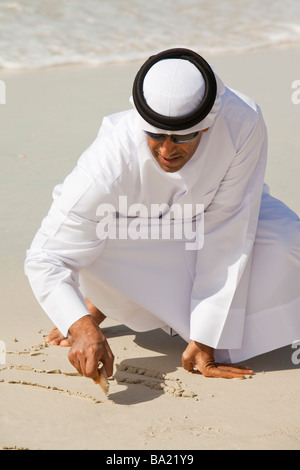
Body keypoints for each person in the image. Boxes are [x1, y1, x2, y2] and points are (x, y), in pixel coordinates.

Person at [25, 48, 300, 384]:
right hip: (129, 238)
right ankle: (100, 300)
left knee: (289, 239)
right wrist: (78, 325)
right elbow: (46, 256)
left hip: (214, 215)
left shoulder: (243, 121)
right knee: (90, 251)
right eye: (155, 134)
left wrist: (206, 336)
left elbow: (229, 225)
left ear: (209, 125)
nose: (167, 150)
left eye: (183, 136)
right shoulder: (106, 165)